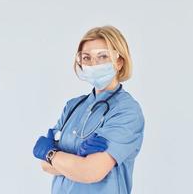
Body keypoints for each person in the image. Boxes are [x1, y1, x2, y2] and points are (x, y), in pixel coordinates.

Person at [33, 25, 145, 194]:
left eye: (103, 57)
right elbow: (44, 166)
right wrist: (77, 159)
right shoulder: (72, 106)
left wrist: (51, 154)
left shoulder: (126, 111)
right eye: (86, 57)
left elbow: (90, 172)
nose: (94, 64)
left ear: (119, 61)